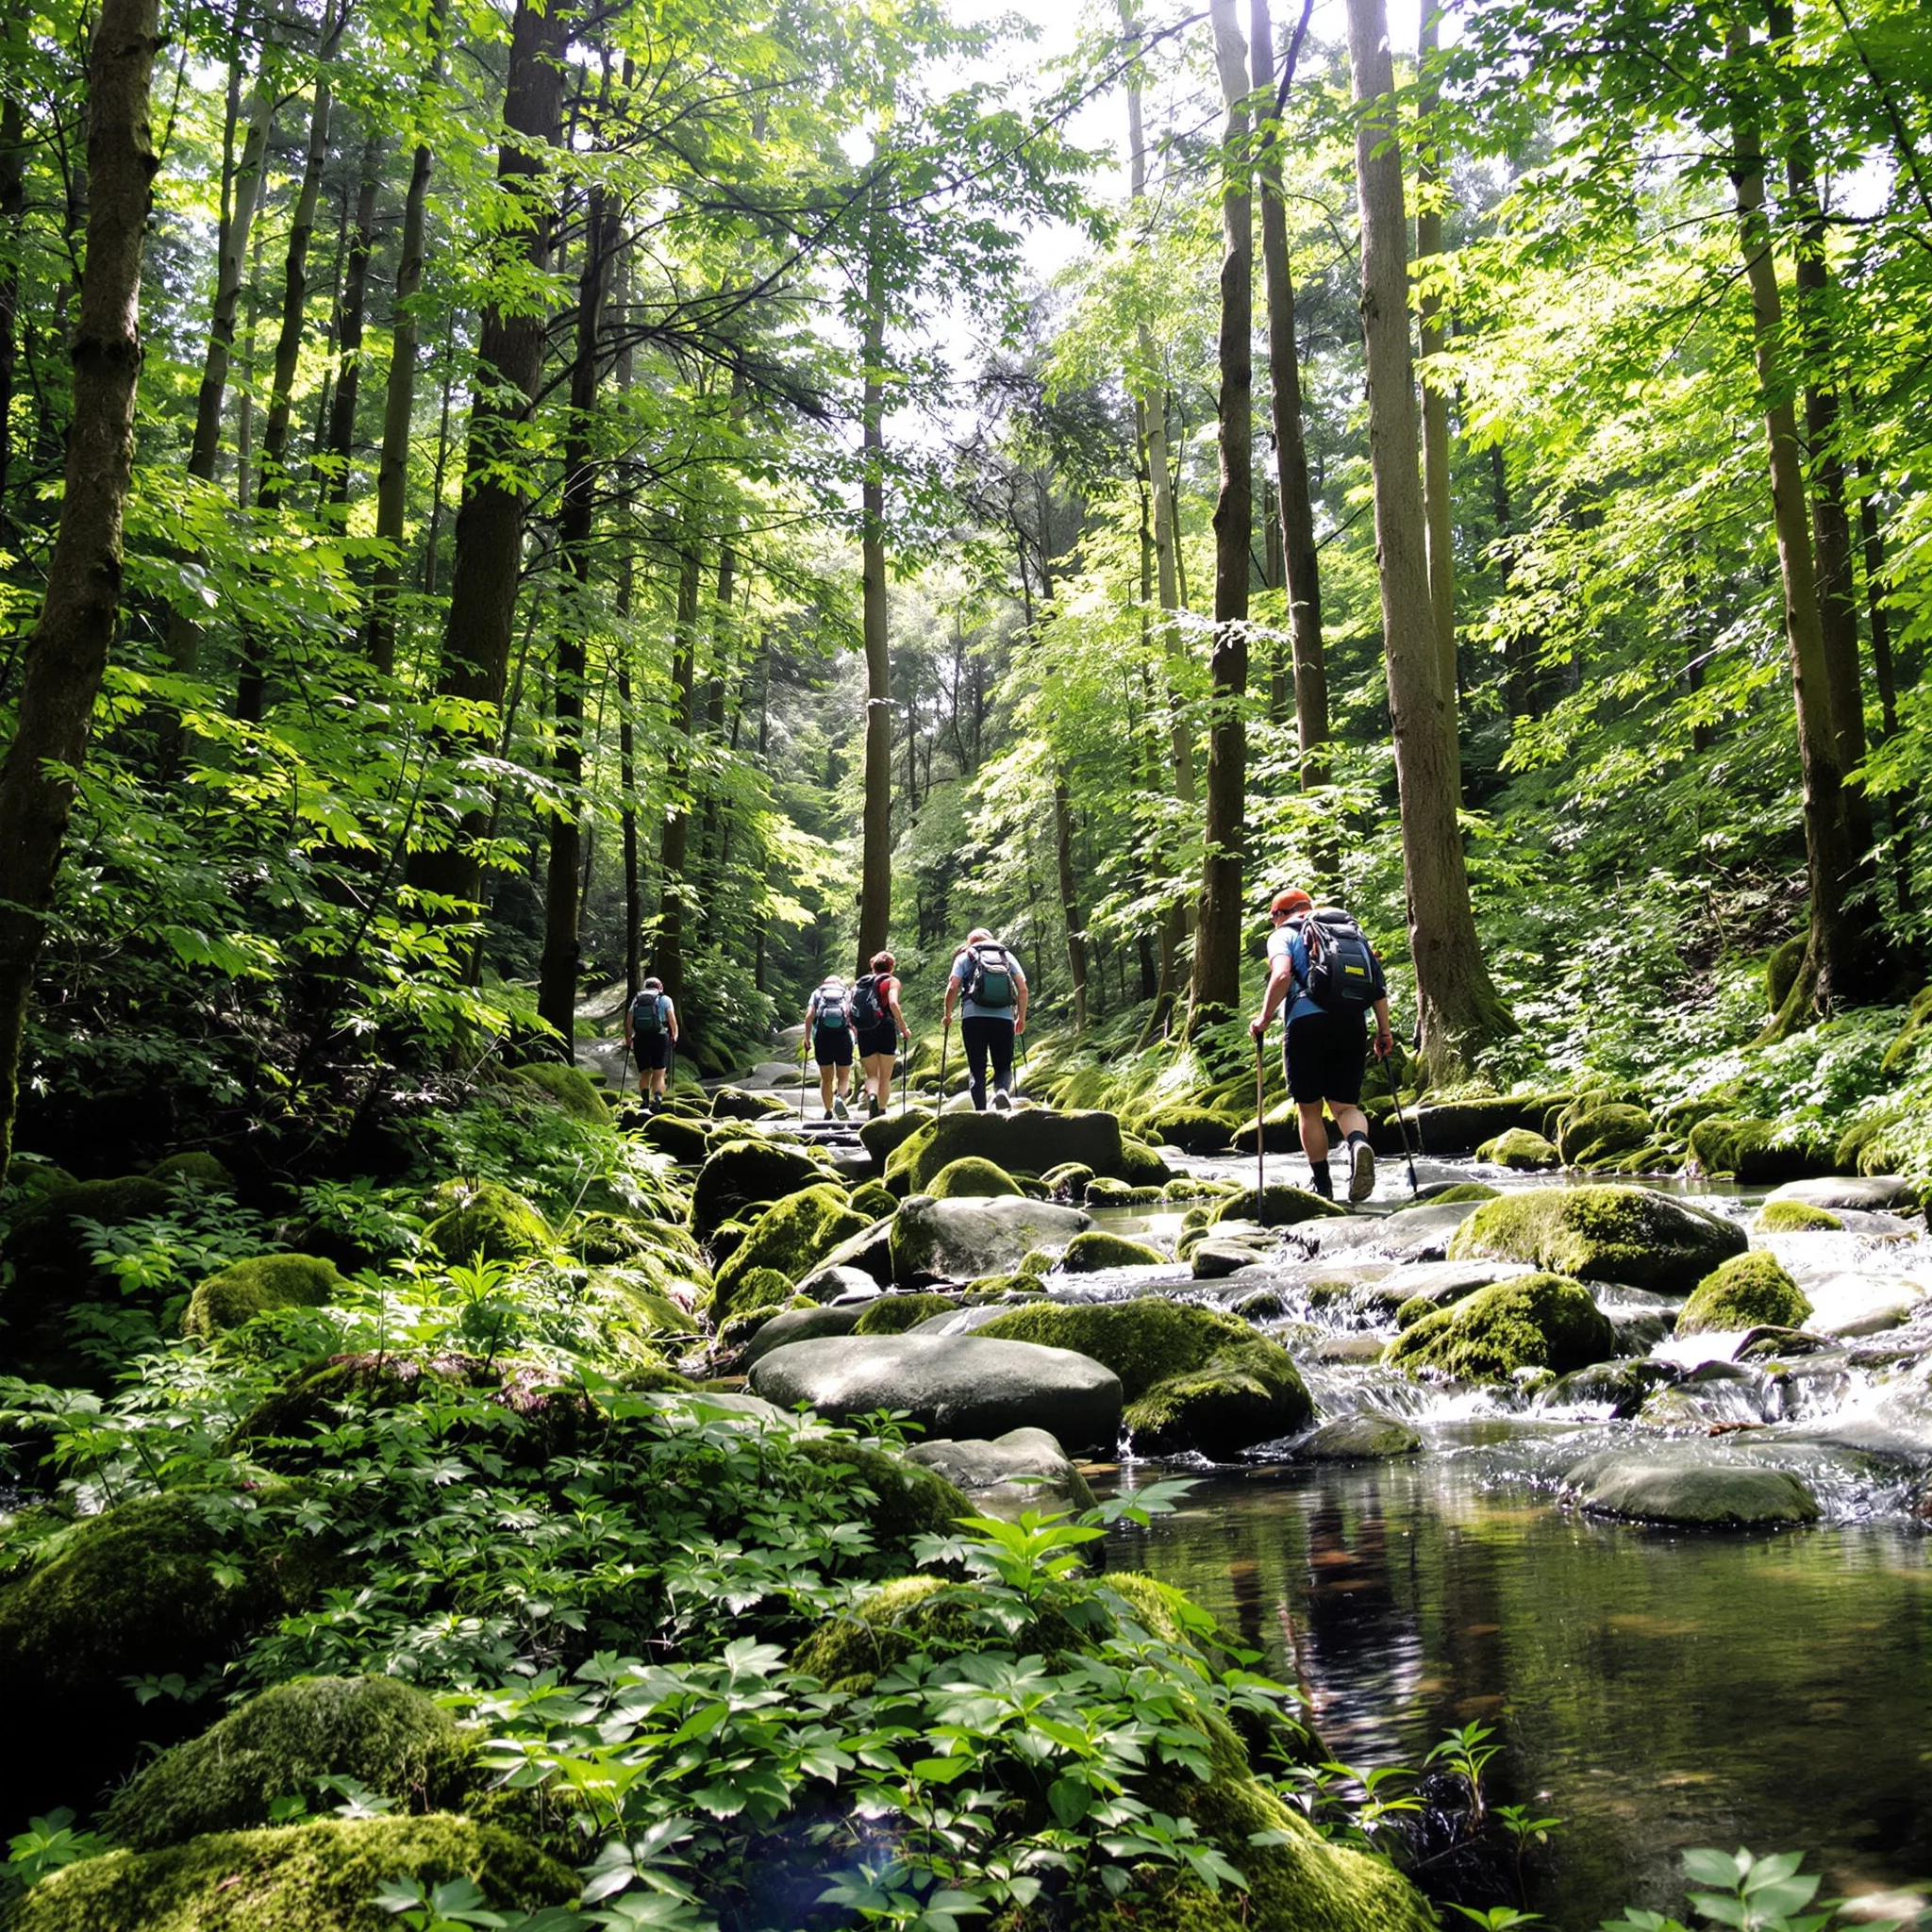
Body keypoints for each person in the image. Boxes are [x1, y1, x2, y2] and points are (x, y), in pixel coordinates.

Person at [1249, 888, 1394, 1202]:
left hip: (1306, 1025)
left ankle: (1323, 1185)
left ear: (1280, 914)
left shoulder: (1283, 934)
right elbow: (1378, 987)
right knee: (1345, 1106)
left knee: (1309, 1110)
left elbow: (1282, 975)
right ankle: (1358, 1143)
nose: (1274, 922)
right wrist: (1384, 1033)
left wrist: (1263, 1019)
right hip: (1351, 1023)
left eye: (1273, 917)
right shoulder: (1348, 932)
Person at [942, 927, 1027, 1112]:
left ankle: (980, 1112)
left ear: (970, 942)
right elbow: (1022, 988)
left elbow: (953, 987)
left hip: (973, 1018)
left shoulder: (965, 957)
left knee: (977, 1067)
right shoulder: (1006, 956)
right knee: (1003, 1065)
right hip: (1004, 1017)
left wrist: (947, 1014)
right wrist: (1021, 1017)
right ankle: (1002, 1091)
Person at [850, 950, 909, 1119]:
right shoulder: (891, 981)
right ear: (891, 967)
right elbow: (893, 1003)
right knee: (885, 1077)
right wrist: (903, 1027)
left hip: (865, 1030)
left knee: (871, 1075)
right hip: (885, 1028)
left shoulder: (860, 984)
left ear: (873, 967)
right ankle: (881, 1112)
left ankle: (872, 1096)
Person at [805, 974, 858, 1120]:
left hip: (822, 1038)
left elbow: (809, 1015)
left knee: (826, 1078)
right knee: (844, 1075)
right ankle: (839, 1098)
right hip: (843, 1037)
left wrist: (807, 1038)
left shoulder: (817, 993)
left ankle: (828, 1110)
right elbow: (853, 1015)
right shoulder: (847, 993)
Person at [625, 975, 678, 1112]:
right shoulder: (665, 999)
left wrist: (629, 1037)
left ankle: (645, 1101)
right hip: (659, 1037)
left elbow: (629, 1019)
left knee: (645, 1072)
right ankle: (657, 1100)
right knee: (659, 1073)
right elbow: (672, 1020)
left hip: (640, 1038)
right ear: (660, 987)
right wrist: (674, 1035)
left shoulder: (637, 999)